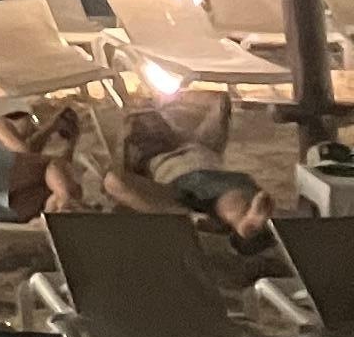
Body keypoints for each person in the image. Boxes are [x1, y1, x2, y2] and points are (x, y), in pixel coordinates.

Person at [102, 87, 283, 247]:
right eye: (142, 129)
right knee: (113, 181)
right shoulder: (146, 161)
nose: (148, 123)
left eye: (154, 118)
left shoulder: (200, 140)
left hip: (217, 181)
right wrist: (125, 142)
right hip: (174, 187)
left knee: (227, 191)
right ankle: (203, 219)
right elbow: (114, 180)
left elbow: (220, 101)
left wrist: (169, 96)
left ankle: (245, 222)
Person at [0, 100, 97, 224]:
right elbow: (25, 151)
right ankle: (64, 198)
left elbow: (29, 159)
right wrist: (51, 129)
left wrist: (55, 130)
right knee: (53, 167)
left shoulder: (11, 164)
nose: (32, 128)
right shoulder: (0, 124)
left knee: (49, 187)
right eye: (31, 122)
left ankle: (57, 207)